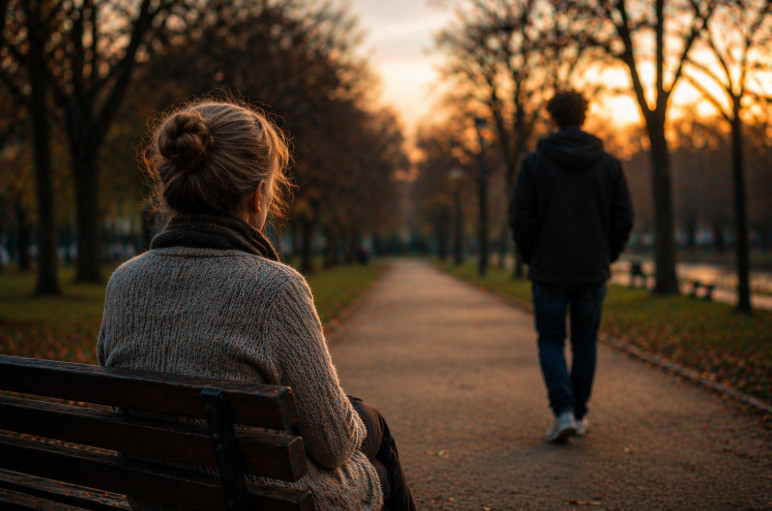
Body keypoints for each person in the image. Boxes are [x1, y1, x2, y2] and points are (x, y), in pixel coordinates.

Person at [97, 98, 415, 510]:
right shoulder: (274, 289)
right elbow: (334, 446)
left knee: (362, 418)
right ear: (258, 196)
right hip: (260, 500)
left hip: (159, 495)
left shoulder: (124, 283)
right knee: (374, 437)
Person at [509, 90, 634, 443]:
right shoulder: (609, 165)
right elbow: (624, 218)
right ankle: (578, 415)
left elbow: (520, 217)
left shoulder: (534, 164)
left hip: (549, 267)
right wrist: (607, 253)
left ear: (552, 119)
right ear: (584, 117)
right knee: (585, 342)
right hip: (592, 267)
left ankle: (563, 411)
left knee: (550, 339)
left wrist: (530, 254)